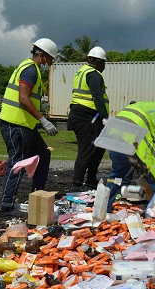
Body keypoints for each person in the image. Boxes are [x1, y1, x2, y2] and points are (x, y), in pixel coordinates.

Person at [0, 38, 58, 216]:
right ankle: (6, 206)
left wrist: (40, 109)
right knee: (17, 162)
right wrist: (43, 120)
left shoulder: (31, 69)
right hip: (15, 123)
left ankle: (37, 196)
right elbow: (23, 98)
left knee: (43, 154)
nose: (51, 63)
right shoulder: (30, 70)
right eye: (51, 59)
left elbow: (28, 98)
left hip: (24, 124)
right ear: (43, 56)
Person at [68, 46, 109, 190]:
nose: (103, 66)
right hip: (86, 116)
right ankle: (76, 185)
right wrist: (104, 117)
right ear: (94, 61)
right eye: (102, 62)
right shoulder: (94, 74)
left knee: (98, 148)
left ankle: (91, 180)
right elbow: (98, 97)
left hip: (85, 115)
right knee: (87, 150)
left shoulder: (82, 72)